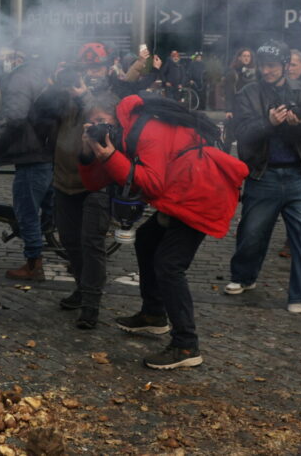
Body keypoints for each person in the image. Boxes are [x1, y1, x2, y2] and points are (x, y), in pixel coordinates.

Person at [80, 94, 248, 369]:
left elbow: (153, 185)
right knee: (146, 240)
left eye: (101, 120)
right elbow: (94, 182)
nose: (96, 125)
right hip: (181, 192)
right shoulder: (124, 133)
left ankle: (186, 345)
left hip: (200, 196)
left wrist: (110, 156)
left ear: (115, 115)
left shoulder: (148, 129)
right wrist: (88, 154)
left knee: (169, 265)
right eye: (91, 122)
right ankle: (154, 314)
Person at [224, 40, 301, 315]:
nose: (267, 70)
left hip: (296, 176)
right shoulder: (248, 93)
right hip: (263, 175)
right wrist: (270, 123)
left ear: (285, 65)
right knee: (252, 234)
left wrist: (296, 126)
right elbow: (244, 132)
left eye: (272, 65)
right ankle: (244, 276)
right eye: (263, 65)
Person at [30, 46, 121, 329]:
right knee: (70, 242)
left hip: (96, 182)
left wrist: (85, 97)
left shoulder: (110, 97)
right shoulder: (65, 95)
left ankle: (91, 305)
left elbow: (104, 127)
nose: (90, 74)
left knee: (92, 244)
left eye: (96, 68)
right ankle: (82, 288)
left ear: (107, 69)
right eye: (86, 69)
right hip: (64, 180)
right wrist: (56, 85)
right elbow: (36, 116)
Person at [0, 38, 53, 282]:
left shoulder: (21, 77)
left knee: (27, 212)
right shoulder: (44, 73)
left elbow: (16, 115)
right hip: (47, 151)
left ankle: (33, 264)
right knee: (49, 210)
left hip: (30, 152)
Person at [222, 47, 256, 148]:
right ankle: (224, 159)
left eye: (248, 56)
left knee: (247, 136)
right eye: (244, 56)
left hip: (250, 109)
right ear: (239, 58)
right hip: (237, 108)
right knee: (229, 137)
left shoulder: (255, 72)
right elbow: (229, 92)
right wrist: (228, 110)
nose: (246, 58)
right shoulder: (233, 73)